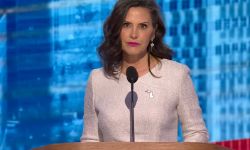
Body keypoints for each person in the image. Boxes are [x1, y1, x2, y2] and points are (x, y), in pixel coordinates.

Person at [81, 0, 209, 142]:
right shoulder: (98, 79)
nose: (134, 34)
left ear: (153, 32)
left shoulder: (177, 75)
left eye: (143, 26)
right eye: (126, 25)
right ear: (117, 30)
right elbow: (90, 140)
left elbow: (196, 133)